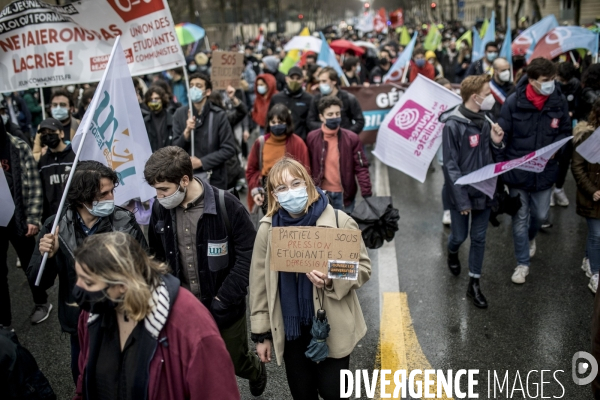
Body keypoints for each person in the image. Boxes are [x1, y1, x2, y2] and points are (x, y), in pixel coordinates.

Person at [145, 146, 267, 396]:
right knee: (194, 366)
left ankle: (254, 370)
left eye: (164, 189)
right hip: (183, 309)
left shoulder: (226, 204)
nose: (159, 196)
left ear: (185, 180)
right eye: (155, 190)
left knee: (234, 361)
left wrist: (224, 299)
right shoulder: (160, 209)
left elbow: (249, 252)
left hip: (226, 308)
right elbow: (156, 257)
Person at [249, 157, 371, 400]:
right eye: (282, 188)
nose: (290, 192)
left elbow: (363, 268)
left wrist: (330, 278)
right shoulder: (267, 230)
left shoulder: (339, 222)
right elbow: (259, 285)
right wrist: (262, 335)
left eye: (296, 183)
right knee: (302, 394)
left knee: (333, 391)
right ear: (274, 194)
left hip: (331, 325)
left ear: (308, 184)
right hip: (291, 330)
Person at [72, 232, 240, 400]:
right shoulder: (93, 311)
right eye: (77, 277)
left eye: (88, 282)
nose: (77, 290)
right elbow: (84, 381)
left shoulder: (191, 325)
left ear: (123, 284)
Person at [28, 160, 147, 384]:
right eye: (104, 193)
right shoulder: (55, 227)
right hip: (78, 321)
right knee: (84, 378)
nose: (111, 198)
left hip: (120, 319)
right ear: (82, 196)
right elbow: (38, 281)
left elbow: (146, 272)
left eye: (112, 190)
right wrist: (50, 257)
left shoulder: (124, 222)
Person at [497, 57, 572, 284]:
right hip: (518, 173)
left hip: (545, 171)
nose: (551, 84)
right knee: (519, 219)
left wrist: (556, 151)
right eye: (546, 80)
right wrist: (500, 164)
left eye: (553, 79)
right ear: (531, 81)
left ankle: (531, 238)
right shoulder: (512, 102)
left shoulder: (558, 101)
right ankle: (522, 264)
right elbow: (504, 137)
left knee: (540, 215)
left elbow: (565, 131)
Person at [440, 75, 505, 308]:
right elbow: (450, 166)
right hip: (462, 195)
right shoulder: (453, 125)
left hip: (484, 192)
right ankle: (452, 252)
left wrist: (497, 142)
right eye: (488, 93)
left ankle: (474, 284)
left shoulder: (487, 121)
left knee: (479, 238)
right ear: (475, 97)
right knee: (459, 236)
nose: (491, 97)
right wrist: (462, 200)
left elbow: (495, 159)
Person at [0, 121, 43, 330]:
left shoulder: (17, 146)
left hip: (20, 218)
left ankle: (42, 302)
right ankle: (4, 321)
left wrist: (33, 218)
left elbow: (34, 183)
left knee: (30, 264)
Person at [172, 72, 237, 190]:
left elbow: (229, 149)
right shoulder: (179, 114)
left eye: (198, 86)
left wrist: (202, 162)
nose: (194, 89)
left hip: (214, 180)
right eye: (191, 86)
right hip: (187, 180)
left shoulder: (218, 116)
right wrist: (186, 132)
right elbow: (174, 149)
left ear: (208, 92)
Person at [307, 96, 372, 213]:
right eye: (330, 114)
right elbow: (307, 166)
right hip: (320, 196)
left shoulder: (351, 138)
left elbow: (361, 167)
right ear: (321, 117)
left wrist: (366, 192)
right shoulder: (312, 138)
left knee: (344, 230)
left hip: (345, 196)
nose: (335, 117)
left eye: (337, 113)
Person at [247, 104, 309, 210]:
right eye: (273, 122)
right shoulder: (261, 143)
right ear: (269, 123)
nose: (276, 125)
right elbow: (251, 170)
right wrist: (256, 190)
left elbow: (306, 171)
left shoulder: (297, 143)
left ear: (287, 123)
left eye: (280, 122)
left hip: (291, 193)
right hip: (266, 192)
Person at [572, 99, 600, 293]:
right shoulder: (589, 137)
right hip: (593, 197)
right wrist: (593, 190)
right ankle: (596, 274)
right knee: (597, 235)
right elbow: (578, 166)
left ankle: (589, 259)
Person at [551, 62, 581, 208]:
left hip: (567, 129)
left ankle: (559, 188)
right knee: (551, 159)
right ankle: (549, 190)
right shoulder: (552, 86)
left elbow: (579, 106)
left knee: (564, 160)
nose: (563, 83)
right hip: (552, 128)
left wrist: (572, 113)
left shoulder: (576, 85)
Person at [36, 118, 75, 221]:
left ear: (61, 133)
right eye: (44, 134)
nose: (48, 136)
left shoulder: (75, 157)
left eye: (52, 132)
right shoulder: (43, 161)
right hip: (51, 217)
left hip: (74, 215)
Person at [307, 67, 365, 134]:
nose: (321, 84)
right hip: (323, 138)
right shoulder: (316, 99)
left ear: (334, 81)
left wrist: (346, 134)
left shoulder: (348, 98)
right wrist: (327, 128)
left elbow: (360, 121)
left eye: (324, 81)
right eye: (319, 81)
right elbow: (310, 122)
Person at [33, 89, 81, 161]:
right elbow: (34, 155)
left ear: (71, 108)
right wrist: (42, 154)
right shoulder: (42, 128)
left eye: (62, 105)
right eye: (55, 105)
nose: (58, 108)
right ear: (50, 108)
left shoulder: (79, 126)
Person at [269, 66, 313, 140]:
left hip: (301, 140)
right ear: (286, 79)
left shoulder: (309, 99)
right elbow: (269, 119)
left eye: (298, 78)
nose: (294, 81)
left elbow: (310, 122)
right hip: (280, 139)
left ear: (303, 80)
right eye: (292, 78)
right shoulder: (276, 98)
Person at [140, 85, 173, 152]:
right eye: (151, 99)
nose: (154, 101)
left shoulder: (171, 119)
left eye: (156, 98)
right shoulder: (145, 122)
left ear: (162, 99)